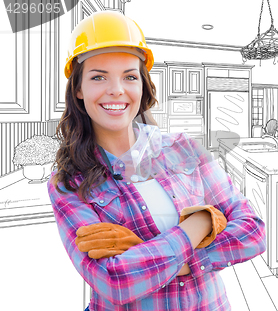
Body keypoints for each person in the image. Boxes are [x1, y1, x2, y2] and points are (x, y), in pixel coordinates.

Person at [47, 11, 266, 311]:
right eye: (99, 76)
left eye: (129, 76)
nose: (116, 89)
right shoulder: (68, 183)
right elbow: (115, 282)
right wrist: (202, 222)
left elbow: (253, 230)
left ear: (142, 85)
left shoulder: (185, 149)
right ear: (79, 88)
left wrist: (152, 259)